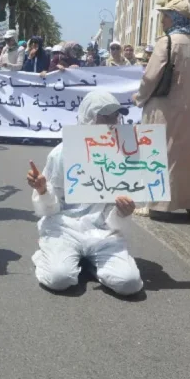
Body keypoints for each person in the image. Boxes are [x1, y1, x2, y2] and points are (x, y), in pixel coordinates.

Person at [26, 90, 144, 295]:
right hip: (64, 229)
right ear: (88, 118)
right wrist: (43, 190)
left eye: (115, 116)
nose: (112, 123)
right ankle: (48, 252)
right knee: (59, 278)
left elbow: (113, 213)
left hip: (103, 232)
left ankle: (91, 263)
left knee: (129, 283)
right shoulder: (62, 153)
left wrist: (122, 212)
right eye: (104, 117)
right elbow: (51, 209)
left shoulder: (126, 154)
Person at [133, 0, 190, 218]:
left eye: (165, 15)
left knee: (159, 152)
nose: (162, 20)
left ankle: (157, 204)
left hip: (166, 108)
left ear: (174, 18)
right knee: (188, 157)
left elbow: (151, 77)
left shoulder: (167, 42)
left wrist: (139, 97)